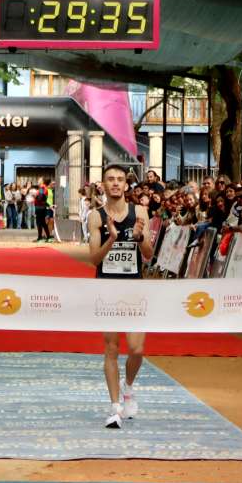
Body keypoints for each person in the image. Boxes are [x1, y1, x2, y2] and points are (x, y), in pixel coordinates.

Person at [86, 164, 155, 429]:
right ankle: (115, 407)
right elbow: (93, 259)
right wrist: (111, 240)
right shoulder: (96, 216)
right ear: (102, 185)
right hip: (106, 288)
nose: (115, 183)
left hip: (134, 287)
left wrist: (138, 238)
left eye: (119, 180)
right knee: (111, 348)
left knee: (137, 349)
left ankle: (128, 387)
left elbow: (148, 254)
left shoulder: (140, 212)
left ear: (126, 185)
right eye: (110, 180)